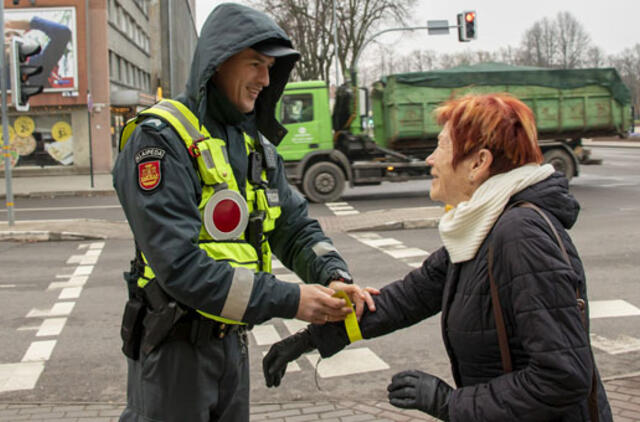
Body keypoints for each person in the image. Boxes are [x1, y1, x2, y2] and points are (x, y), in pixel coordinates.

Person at [263, 93, 613, 421]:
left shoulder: (520, 234)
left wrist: (449, 403)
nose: (430, 158)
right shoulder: (484, 226)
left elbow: (563, 376)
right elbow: (408, 297)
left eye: (442, 146)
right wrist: (312, 338)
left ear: (479, 163)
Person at [112, 3, 375, 422]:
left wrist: (333, 276)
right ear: (217, 63)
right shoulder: (160, 141)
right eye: (255, 64)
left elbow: (294, 228)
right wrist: (292, 300)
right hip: (174, 351)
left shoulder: (256, 146)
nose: (266, 80)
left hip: (231, 344)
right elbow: (179, 266)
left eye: (270, 67)